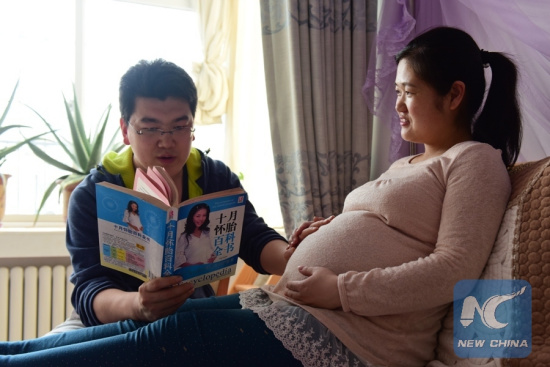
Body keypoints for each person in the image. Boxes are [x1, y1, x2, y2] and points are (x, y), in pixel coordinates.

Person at [0, 26, 522, 366]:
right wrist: (310, 254)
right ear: (125, 129)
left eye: (408, 91)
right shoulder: (409, 162)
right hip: (285, 308)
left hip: (346, 339)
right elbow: (88, 283)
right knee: (152, 333)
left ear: (454, 95)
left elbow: (454, 268)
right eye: (400, 91)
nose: (398, 105)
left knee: (157, 343)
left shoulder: (474, 160)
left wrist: (339, 287)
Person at [62, 59, 291, 327]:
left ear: (192, 128)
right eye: (149, 128)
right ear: (126, 130)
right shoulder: (94, 193)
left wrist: (297, 255)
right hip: (113, 318)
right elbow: (91, 288)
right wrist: (139, 305)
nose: (166, 141)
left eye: (180, 127)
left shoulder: (214, 178)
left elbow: (254, 238)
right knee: (48, 351)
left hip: (190, 310)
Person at [175, 203, 215, 268]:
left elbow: (212, 250)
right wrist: (193, 266)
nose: (201, 219)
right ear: (192, 217)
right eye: (198, 216)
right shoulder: (184, 237)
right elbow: (178, 260)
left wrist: (213, 257)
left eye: (204, 215)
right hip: (192, 272)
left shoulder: (207, 233)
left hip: (207, 269)